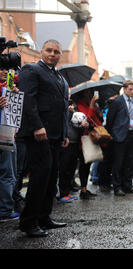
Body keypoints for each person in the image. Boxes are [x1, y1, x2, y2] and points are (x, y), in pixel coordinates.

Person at [17, 39, 70, 237]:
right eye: (49, 50)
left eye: (56, 51)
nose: (52, 54)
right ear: (41, 51)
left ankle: (44, 217)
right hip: (38, 134)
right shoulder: (31, 70)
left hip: (56, 135)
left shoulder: (59, 77)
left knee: (50, 178)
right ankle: (28, 222)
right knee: (39, 177)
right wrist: (37, 126)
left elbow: (63, 108)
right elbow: (27, 100)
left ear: (60, 55)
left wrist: (64, 133)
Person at [106, 80, 133, 196]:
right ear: (124, 89)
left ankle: (127, 185)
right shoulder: (117, 101)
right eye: (130, 89)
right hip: (120, 136)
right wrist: (112, 134)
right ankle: (117, 187)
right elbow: (110, 120)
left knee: (130, 162)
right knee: (119, 162)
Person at [73, 89, 103, 200]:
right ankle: (83, 190)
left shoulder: (92, 104)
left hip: (93, 137)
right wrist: (91, 105)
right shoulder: (80, 105)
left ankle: (85, 188)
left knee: (88, 163)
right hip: (84, 138)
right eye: (88, 93)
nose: (90, 95)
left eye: (91, 93)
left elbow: (97, 119)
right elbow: (87, 119)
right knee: (84, 164)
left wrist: (97, 109)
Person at [0, 68, 20, 222]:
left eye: (6, 69)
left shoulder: (8, 87)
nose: (4, 71)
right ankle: (5, 210)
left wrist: (13, 94)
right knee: (7, 174)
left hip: (9, 135)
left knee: (10, 173)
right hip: (4, 136)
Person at [57, 100, 87, 203]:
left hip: (75, 143)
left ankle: (67, 192)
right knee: (64, 169)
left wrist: (83, 125)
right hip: (66, 143)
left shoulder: (75, 110)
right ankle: (62, 193)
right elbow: (63, 123)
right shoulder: (63, 110)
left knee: (71, 168)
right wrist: (69, 113)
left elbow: (77, 125)